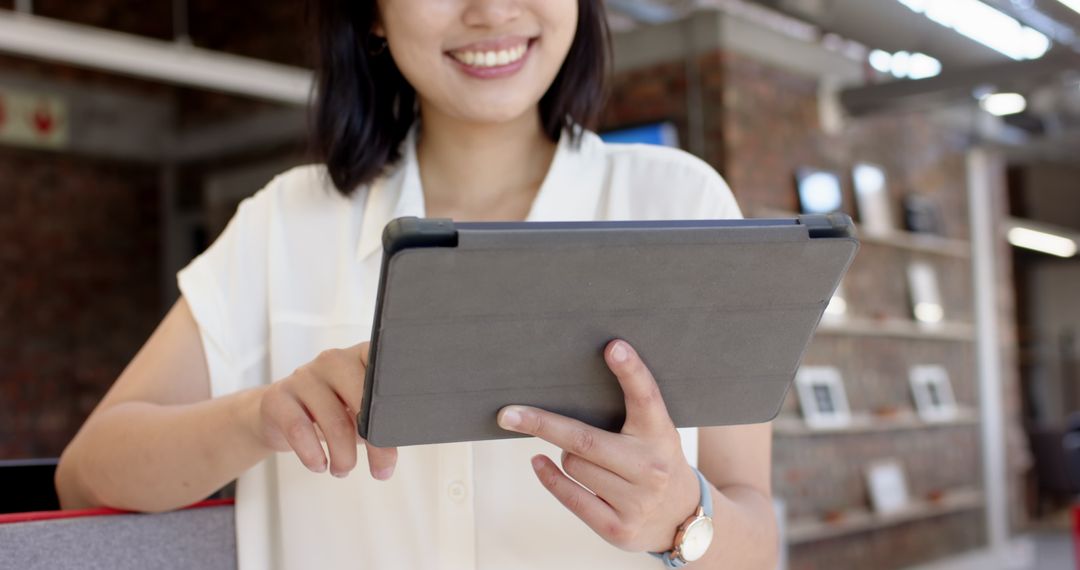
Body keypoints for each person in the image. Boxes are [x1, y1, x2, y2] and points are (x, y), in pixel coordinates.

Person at [54, 0, 778, 568]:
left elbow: (757, 534)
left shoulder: (679, 204)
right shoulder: (286, 221)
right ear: (371, 11)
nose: (492, 11)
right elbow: (87, 476)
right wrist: (257, 417)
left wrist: (686, 519)